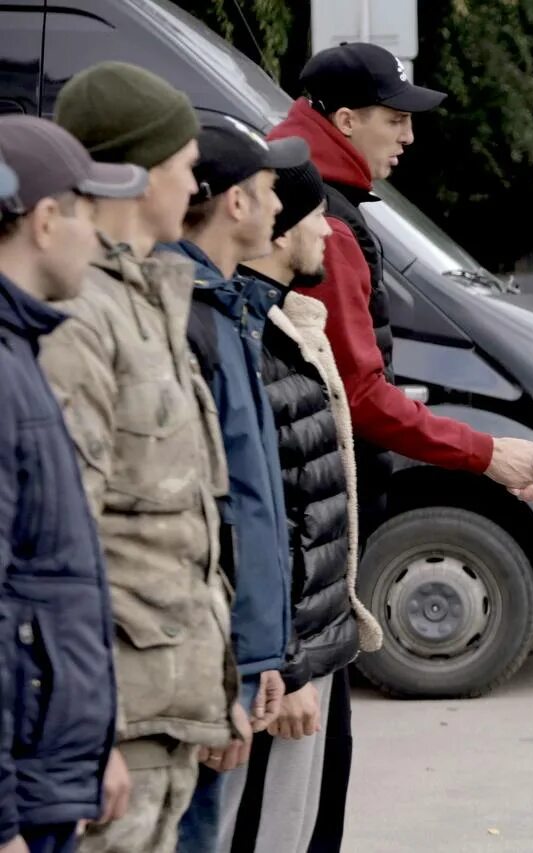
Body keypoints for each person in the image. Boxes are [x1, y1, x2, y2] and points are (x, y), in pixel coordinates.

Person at [267, 42, 533, 848]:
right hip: (309, 524)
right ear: (344, 118)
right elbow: (357, 396)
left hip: (300, 511)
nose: (409, 136)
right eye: (395, 119)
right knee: (300, 782)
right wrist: (484, 451)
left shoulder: (306, 189)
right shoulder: (319, 217)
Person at [41, 62, 247, 853]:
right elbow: (64, 542)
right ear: (132, 172)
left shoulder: (149, 298)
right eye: (183, 164)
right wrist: (83, 733)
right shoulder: (78, 314)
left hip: (166, 704)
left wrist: (217, 682)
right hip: (116, 719)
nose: (196, 181)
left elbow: (186, 528)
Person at [225, 159, 383, 853]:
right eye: (316, 214)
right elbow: (267, 521)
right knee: (265, 831)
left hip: (312, 648)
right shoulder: (254, 341)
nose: (328, 229)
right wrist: (287, 667)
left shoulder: (290, 327)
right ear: (280, 227)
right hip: (282, 665)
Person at [0, 117, 148, 853]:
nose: (100, 236)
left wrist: (94, 748)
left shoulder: (22, 350)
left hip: (50, 774)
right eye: (89, 214)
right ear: (46, 219)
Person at [166, 116, 310, 853]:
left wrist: (264, 657)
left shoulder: (226, 306)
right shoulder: (185, 316)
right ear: (233, 203)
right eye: (267, 189)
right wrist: (228, 671)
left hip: (233, 657)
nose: (281, 207)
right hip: (199, 668)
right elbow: (204, 517)